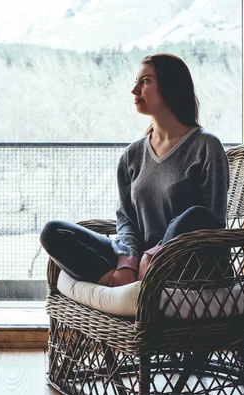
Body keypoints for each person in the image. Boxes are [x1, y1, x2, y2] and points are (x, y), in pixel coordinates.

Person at [39, 53, 230, 287]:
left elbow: (212, 222)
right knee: (53, 232)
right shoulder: (133, 154)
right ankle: (119, 282)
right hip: (137, 260)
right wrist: (128, 260)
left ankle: (148, 269)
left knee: (195, 215)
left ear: (171, 86)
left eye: (146, 81)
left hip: (187, 261)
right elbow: (126, 218)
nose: (134, 90)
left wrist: (156, 254)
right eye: (136, 81)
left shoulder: (206, 146)